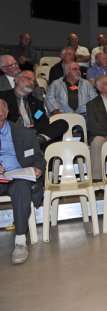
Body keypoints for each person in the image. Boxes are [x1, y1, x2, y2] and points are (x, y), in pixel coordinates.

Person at [0, 98, 46, 264]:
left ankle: (20, 241)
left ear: (5, 115)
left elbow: (40, 159)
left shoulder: (24, 133)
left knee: (21, 187)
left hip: (17, 176)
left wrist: (38, 168)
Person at [0, 70, 68, 149]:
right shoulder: (2, 97)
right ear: (17, 79)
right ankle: (34, 143)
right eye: (28, 79)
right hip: (13, 133)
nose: (32, 83)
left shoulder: (37, 102)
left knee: (62, 123)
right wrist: (21, 129)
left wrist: (31, 130)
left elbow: (42, 120)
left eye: (34, 81)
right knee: (48, 142)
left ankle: (36, 141)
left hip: (33, 132)